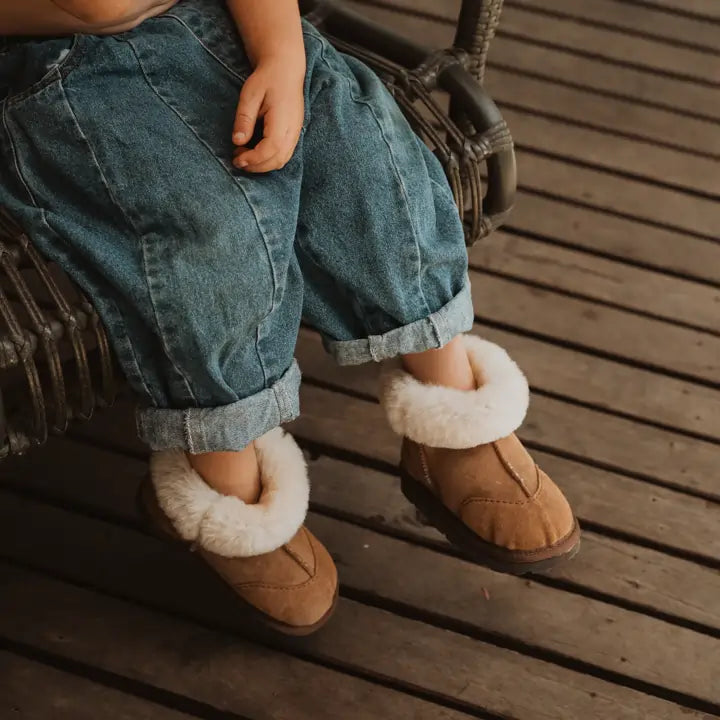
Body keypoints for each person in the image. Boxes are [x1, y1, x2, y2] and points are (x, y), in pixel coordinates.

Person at [0, 0, 580, 635]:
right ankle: (224, 475)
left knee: (365, 153)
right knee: (209, 232)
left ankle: (448, 398)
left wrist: (278, 49)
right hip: (58, 69)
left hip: (216, 16)